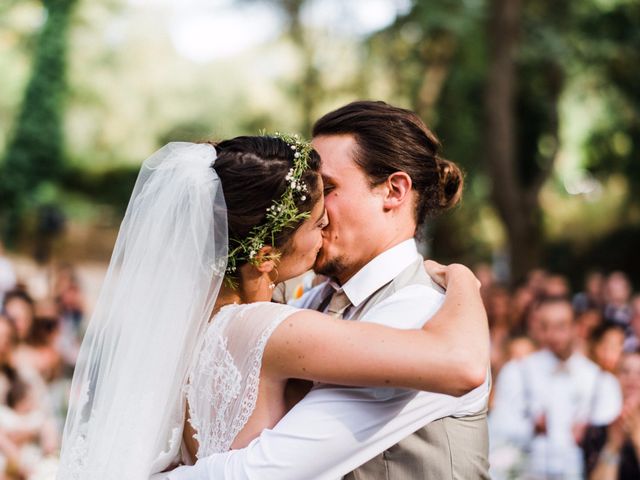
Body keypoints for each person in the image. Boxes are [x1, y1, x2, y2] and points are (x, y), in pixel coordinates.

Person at [57, 130, 488, 479]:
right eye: (316, 220)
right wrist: (465, 280)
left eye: (331, 189)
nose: (325, 224)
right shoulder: (271, 324)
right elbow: (460, 363)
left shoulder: (196, 323)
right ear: (265, 255)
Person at [166, 101, 491, 480]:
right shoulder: (309, 301)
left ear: (394, 191)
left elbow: (264, 469)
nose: (310, 207)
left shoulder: (422, 313)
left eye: (329, 188)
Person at [489, 297, 621, 479]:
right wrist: (530, 427)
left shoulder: (600, 380)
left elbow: (613, 443)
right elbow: (497, 430)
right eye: (545, 326)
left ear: (576, 327)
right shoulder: (517, 372)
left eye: (561, 326)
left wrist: (589, 434)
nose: (552, 335)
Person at [583, 349, 640, 479]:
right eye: (625, 371)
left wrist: (637, 438)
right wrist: (613, 446)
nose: (632, 378)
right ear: (616, 377)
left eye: (639, 373)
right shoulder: (597, 432)